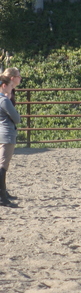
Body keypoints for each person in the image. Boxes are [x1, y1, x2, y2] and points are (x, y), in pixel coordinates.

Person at [0, 73, 21, 207]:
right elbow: (16, 118)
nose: (11, 88)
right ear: (4, 86)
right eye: (9, 86)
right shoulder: (4, 100)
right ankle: (2, 197)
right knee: (3, 166)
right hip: (6, 134)